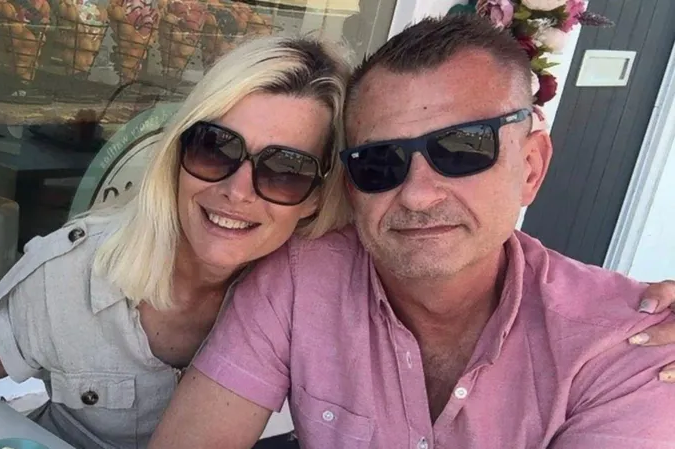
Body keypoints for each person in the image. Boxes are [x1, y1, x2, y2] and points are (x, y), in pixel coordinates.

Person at [149, 15, 675, 449]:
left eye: (463, 150)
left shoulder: (626, 346)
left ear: (531, 168)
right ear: (352, 187)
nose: (418, 195)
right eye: (380, 162)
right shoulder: (297, 279)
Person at [0, 36, 352, 448]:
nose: (237, 190)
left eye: (286, 169)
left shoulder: (313, 306)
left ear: (317, 196)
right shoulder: (79, 269)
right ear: (177, 152)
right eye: (215, 147)